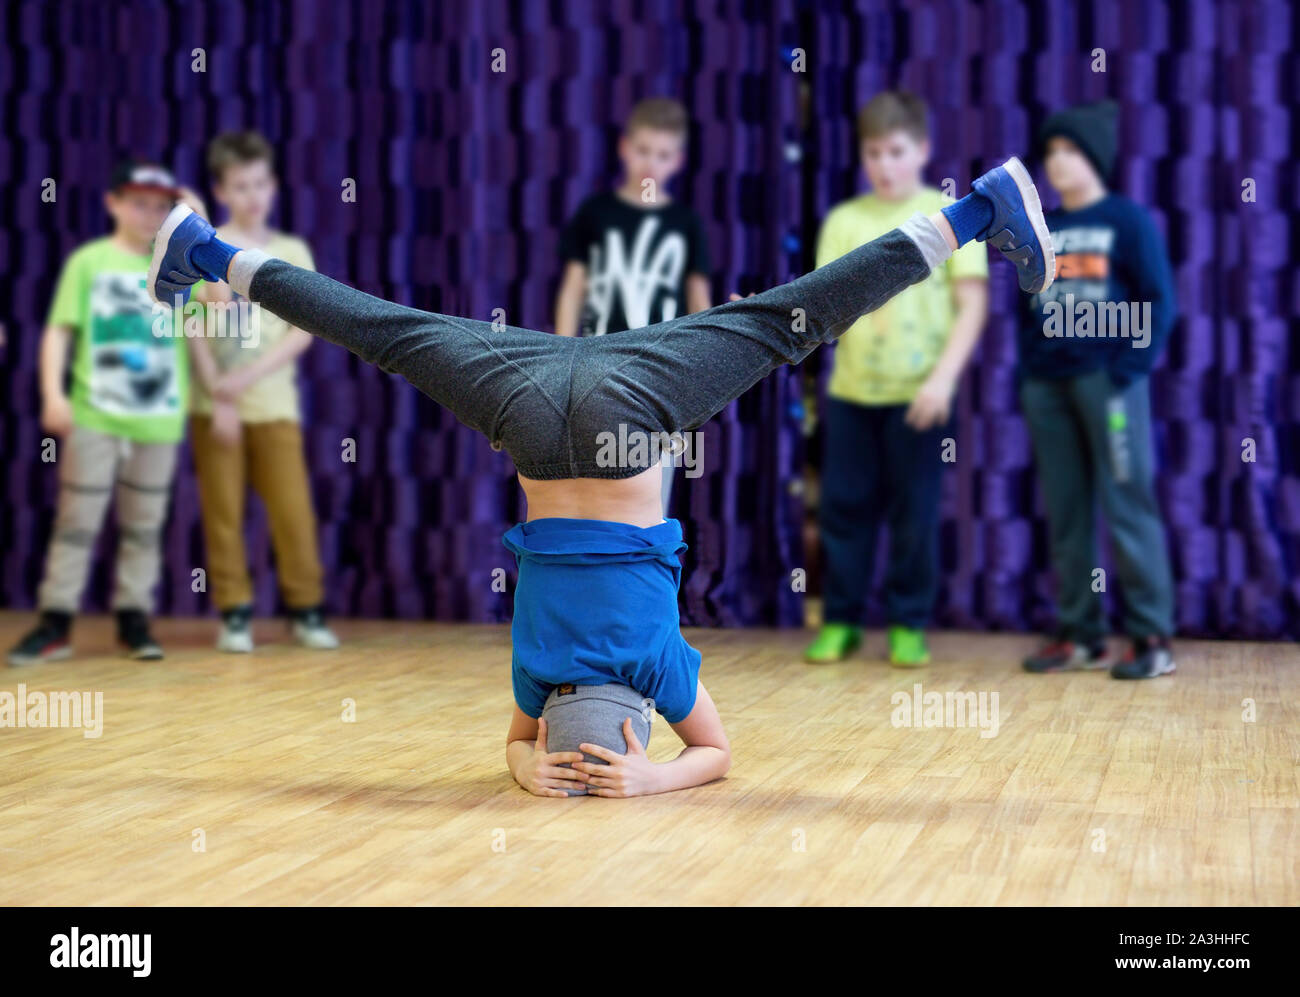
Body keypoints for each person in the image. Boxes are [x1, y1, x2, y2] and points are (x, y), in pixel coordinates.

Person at [146, 157, 1055, 795]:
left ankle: (978, 211)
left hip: (631, 409)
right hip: (531, 407)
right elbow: (514, 746)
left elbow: (715, 755)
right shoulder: (534, 674)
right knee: (385, 330)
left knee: (791, 318)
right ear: (551, 722)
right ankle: (206, 249)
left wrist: (650, 777)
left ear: (643, 718)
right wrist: (529, 767)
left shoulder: (660, 670)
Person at [804, 91, 989, 668]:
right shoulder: (844, 221)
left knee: (915, 515)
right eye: (873, 153)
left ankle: (908, 623)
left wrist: (943, 381)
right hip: (851, 395)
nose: (884, 164)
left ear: (923, 150)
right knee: (843, 510)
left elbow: (973, 305)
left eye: (896, 151)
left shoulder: (949, 216)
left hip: (920, 398)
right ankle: (841, 621)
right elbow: (824, 302)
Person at [8, 162, 200, 667]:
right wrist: (53, 394)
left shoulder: (177, 266)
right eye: (138, 204)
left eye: (160, 207)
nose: (149, 215)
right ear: (113, 203)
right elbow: (59, 330)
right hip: (96, 415)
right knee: (77, 520)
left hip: (158, 419)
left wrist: (201, 226)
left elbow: (220, 304)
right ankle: (55, 621)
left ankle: (133, 618)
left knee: (145, 525)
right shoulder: (88, 262)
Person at [1016, 100, 1178, 680]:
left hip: (1108, 385)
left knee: (1127, 502)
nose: (1057, 162)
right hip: (1048, 386)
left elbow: (1160, 299)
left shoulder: (1127, 221)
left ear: (1097, 157)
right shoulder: (1044, 228)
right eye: (1050, 152)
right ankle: (1081, 633)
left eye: (1070, 150)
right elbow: (1027, 305)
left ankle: (1151, 636)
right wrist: (1030, 372)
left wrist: (1126, 371)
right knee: (1066, 511)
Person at [185, 131, 339, 653]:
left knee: (292, 511)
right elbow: (196, 322)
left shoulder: (291, 251)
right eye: (239, 186)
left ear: (273, 185)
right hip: (214, 408)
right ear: (221, 191)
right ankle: (234, 613)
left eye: (259, 184)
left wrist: (244, 381)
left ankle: (306, 609)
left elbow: (304, 330)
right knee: (223, 513)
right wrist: (219, 393)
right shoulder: (205, 247)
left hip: (274, 406)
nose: (252, 196)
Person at [554, 97, 713, 515]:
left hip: (662, 379)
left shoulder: (685, 223)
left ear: (677, 161)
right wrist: (560, 363)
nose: (650, 163)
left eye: (662, 155)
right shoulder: (595, 213)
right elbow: (573, 290)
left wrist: (700, 374)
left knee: (651, 499)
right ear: (625, 148)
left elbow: (698, 301)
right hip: (595, 373)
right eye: (643, 150)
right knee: (590, 487)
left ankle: (645, 557)